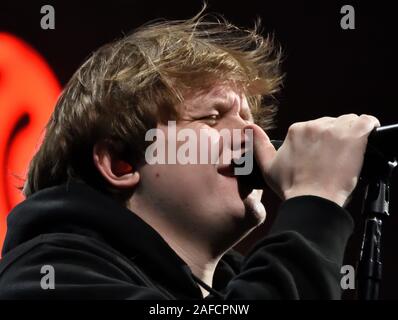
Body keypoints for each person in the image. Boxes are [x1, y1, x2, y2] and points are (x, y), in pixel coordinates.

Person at [0, 11, 379, 299]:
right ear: (121, 163)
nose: (254, 135)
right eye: (213, 117)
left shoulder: (236, 287)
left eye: (248, 118)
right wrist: (313, 207)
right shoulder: (46, 276)